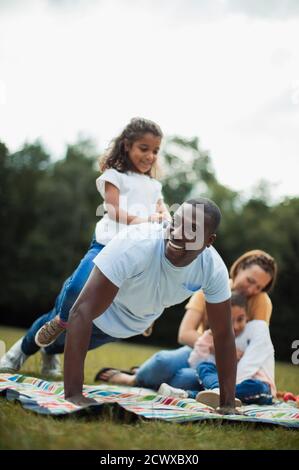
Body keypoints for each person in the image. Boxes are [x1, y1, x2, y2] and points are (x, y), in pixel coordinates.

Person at [1, 198, 239, 414]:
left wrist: (227, 403)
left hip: (130, 324)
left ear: (209, 241)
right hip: (93, 309)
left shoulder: (213, 269)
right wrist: (74, 393)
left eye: (193, 230)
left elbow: (223, 334)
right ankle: (20, 351)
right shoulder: (137, 242)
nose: (177, 233)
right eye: (176, 222)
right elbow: (82, 311)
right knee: (58, 321)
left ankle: (49, 353)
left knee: (59, 346)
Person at [0, 117, 169, 378]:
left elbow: (162, 212)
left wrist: (167, 221)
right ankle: (20, 350)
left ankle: (51, 351)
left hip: (132, 259)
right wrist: (143, 220)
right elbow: (112, 209)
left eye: (155, 151)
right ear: (127, 146)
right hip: (104, 247)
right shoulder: (115, 176)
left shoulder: (154, 186)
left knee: (102, 322)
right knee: (75, 294)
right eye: (143, 148)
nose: (150, 156)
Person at [99, 250, 277, 392]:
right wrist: (216, 346)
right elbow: (184, 334)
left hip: (234, 362)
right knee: (163, 361)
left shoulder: (260, 301)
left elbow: (257, 343)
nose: (252, 289)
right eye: (250, 280)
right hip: (200, 349)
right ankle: (133, 379)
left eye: (259, 287)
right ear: (239, 269)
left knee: (184, 378)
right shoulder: (211, 287)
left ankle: (152, 378)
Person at [158, 291, 276, 409]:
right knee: (204, 366)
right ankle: (217, 394)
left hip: (255, 384)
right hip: (223, 384)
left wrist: (227, 387)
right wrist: (213, 350)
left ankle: (191, 394)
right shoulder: (214, 335)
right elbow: (195, 364)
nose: (235, 326)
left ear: (248, 316)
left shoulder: (257, 330)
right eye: (230, 320)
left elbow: (250, 365)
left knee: (255, 386)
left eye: (240, 319)